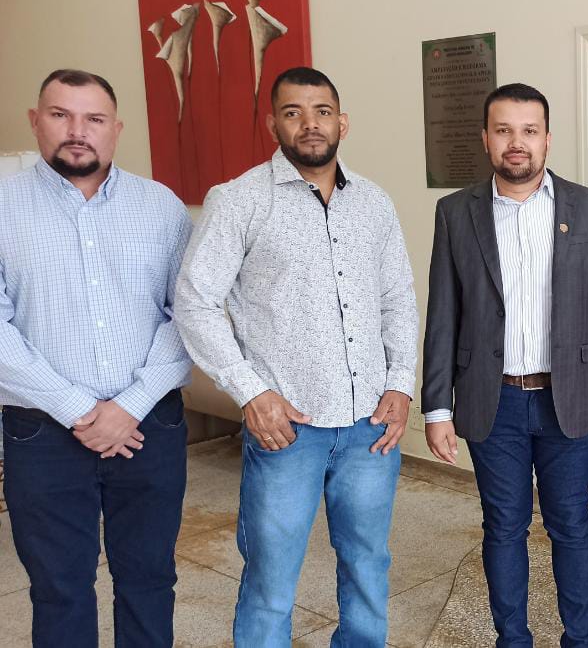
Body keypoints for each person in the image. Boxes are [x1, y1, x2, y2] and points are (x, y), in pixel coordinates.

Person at [174, 67, 419, 646]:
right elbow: (194, 301)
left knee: (367, 567)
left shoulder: (375, 204)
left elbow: (398, 300)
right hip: (288, 429)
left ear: (342, 121)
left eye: (322, 111)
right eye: (293, 112)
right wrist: (250, 392)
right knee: (270, 579)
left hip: (370, 426)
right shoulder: (239, 201)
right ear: (273, 123)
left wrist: (401, 385)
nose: (309, 124)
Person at [421, 82, 588, 647]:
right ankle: (511, 640)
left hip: (571, 397)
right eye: (505, 130)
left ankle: (579, 639)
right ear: (486, 139)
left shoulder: (587, 207)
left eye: (529, 131)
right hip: (494, 401)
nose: (518, 143)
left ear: (547, 139)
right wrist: (437, 405)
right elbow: (443, 313)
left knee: (572, 526)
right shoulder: (454, 212)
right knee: (504, 528)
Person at [0, 69, 193, 647]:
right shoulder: (3, 206)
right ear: (36, 121)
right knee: (59, 588)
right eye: (60, 115)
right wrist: (79, 409)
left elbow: (189, 315)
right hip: (41, 432)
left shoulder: (161, 207)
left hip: (149, 426)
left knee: (150, 579)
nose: (77, 131)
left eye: (94, 119)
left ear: (117, 129)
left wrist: (128, 405)